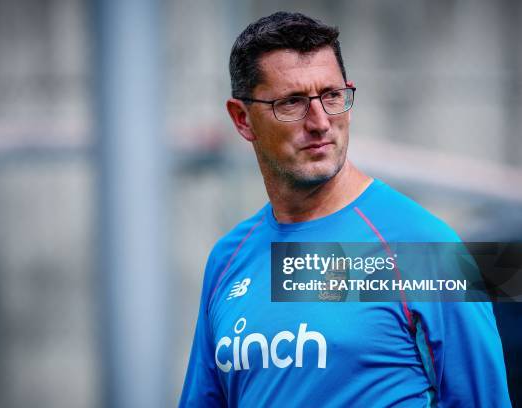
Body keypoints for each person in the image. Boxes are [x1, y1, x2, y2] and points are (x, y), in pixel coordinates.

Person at [179, 11, 511, 407]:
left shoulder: (427, 250)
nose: (320, 122)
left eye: (332, 96)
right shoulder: (227, 257)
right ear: (242, 119)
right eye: (292, 102)